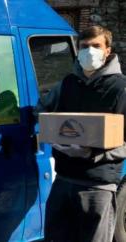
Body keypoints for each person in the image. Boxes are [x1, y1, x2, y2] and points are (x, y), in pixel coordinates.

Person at [35, 25, 126, 242]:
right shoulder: (67, 83)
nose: (90, 51)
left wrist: (95, 154)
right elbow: (42, 111)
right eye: (85, 46)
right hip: (64, 179)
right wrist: (51, 134)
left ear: (107, 50)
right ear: (77, 49)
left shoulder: (120, 88)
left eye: (96, 46)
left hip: (97, 184)